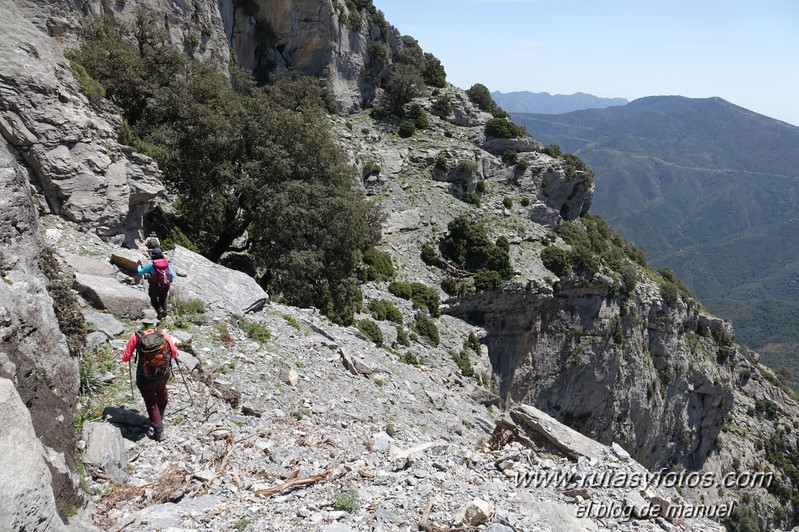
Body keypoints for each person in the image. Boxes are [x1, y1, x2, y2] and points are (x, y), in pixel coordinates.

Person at [122, 309, 179, 441]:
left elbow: (125, 358)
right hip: (163, 372)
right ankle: (161, 412)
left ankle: (159, 430)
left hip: (144, 375)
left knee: (150, 400)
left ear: (143, 323)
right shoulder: (163, 333)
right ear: (155, 322)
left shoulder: (136, 336)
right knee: (161, 389)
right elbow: (174, 353)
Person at [137, 247, 174, 319]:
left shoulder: (151, 264)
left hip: (155, 284)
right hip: (166, 284)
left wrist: (138, 265)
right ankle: (163, 316)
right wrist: (170, 281)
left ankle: (160, 311)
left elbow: (140, 272)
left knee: (153, 300)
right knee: (163, 299)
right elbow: (171, 274)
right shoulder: (166, 263)